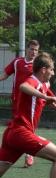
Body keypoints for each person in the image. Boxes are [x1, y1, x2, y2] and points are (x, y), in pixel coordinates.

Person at [0, 40, 40, 168]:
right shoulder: (18, 62)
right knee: (17, 126)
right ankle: (9, 150)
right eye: (32, 49)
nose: (33, 52)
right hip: (17, 100)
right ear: (27, 49)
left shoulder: (37, 66)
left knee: (28, 126)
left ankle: (29, 153)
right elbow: (5, 75)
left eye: (36, 50)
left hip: (30, 102)